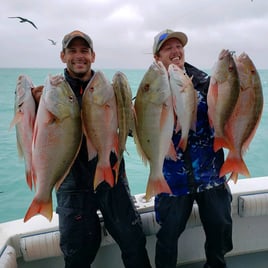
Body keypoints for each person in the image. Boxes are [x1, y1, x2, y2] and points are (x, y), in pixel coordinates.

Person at [32, 30, 151, 268]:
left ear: (93, 56)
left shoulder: (107, 88)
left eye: (84, 51)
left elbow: (131, 130)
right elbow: (38, 139)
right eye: (72, 51)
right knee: (77, 254)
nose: (79, 56)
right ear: (62, 55)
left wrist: (129, 109)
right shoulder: (50, 94)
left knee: (133, 242)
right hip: (72, 186)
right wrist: (35, 107)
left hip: (112, 179)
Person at [152, 29, 233, 268]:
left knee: (220, 230)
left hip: (210, 174)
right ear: (158, 57)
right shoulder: (152, 87)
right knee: (167, 237)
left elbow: (227, 110)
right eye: (168, 48)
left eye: (179, 47)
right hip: (172, 179)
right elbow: (139, 127)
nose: (176, 52)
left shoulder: (204, 81)